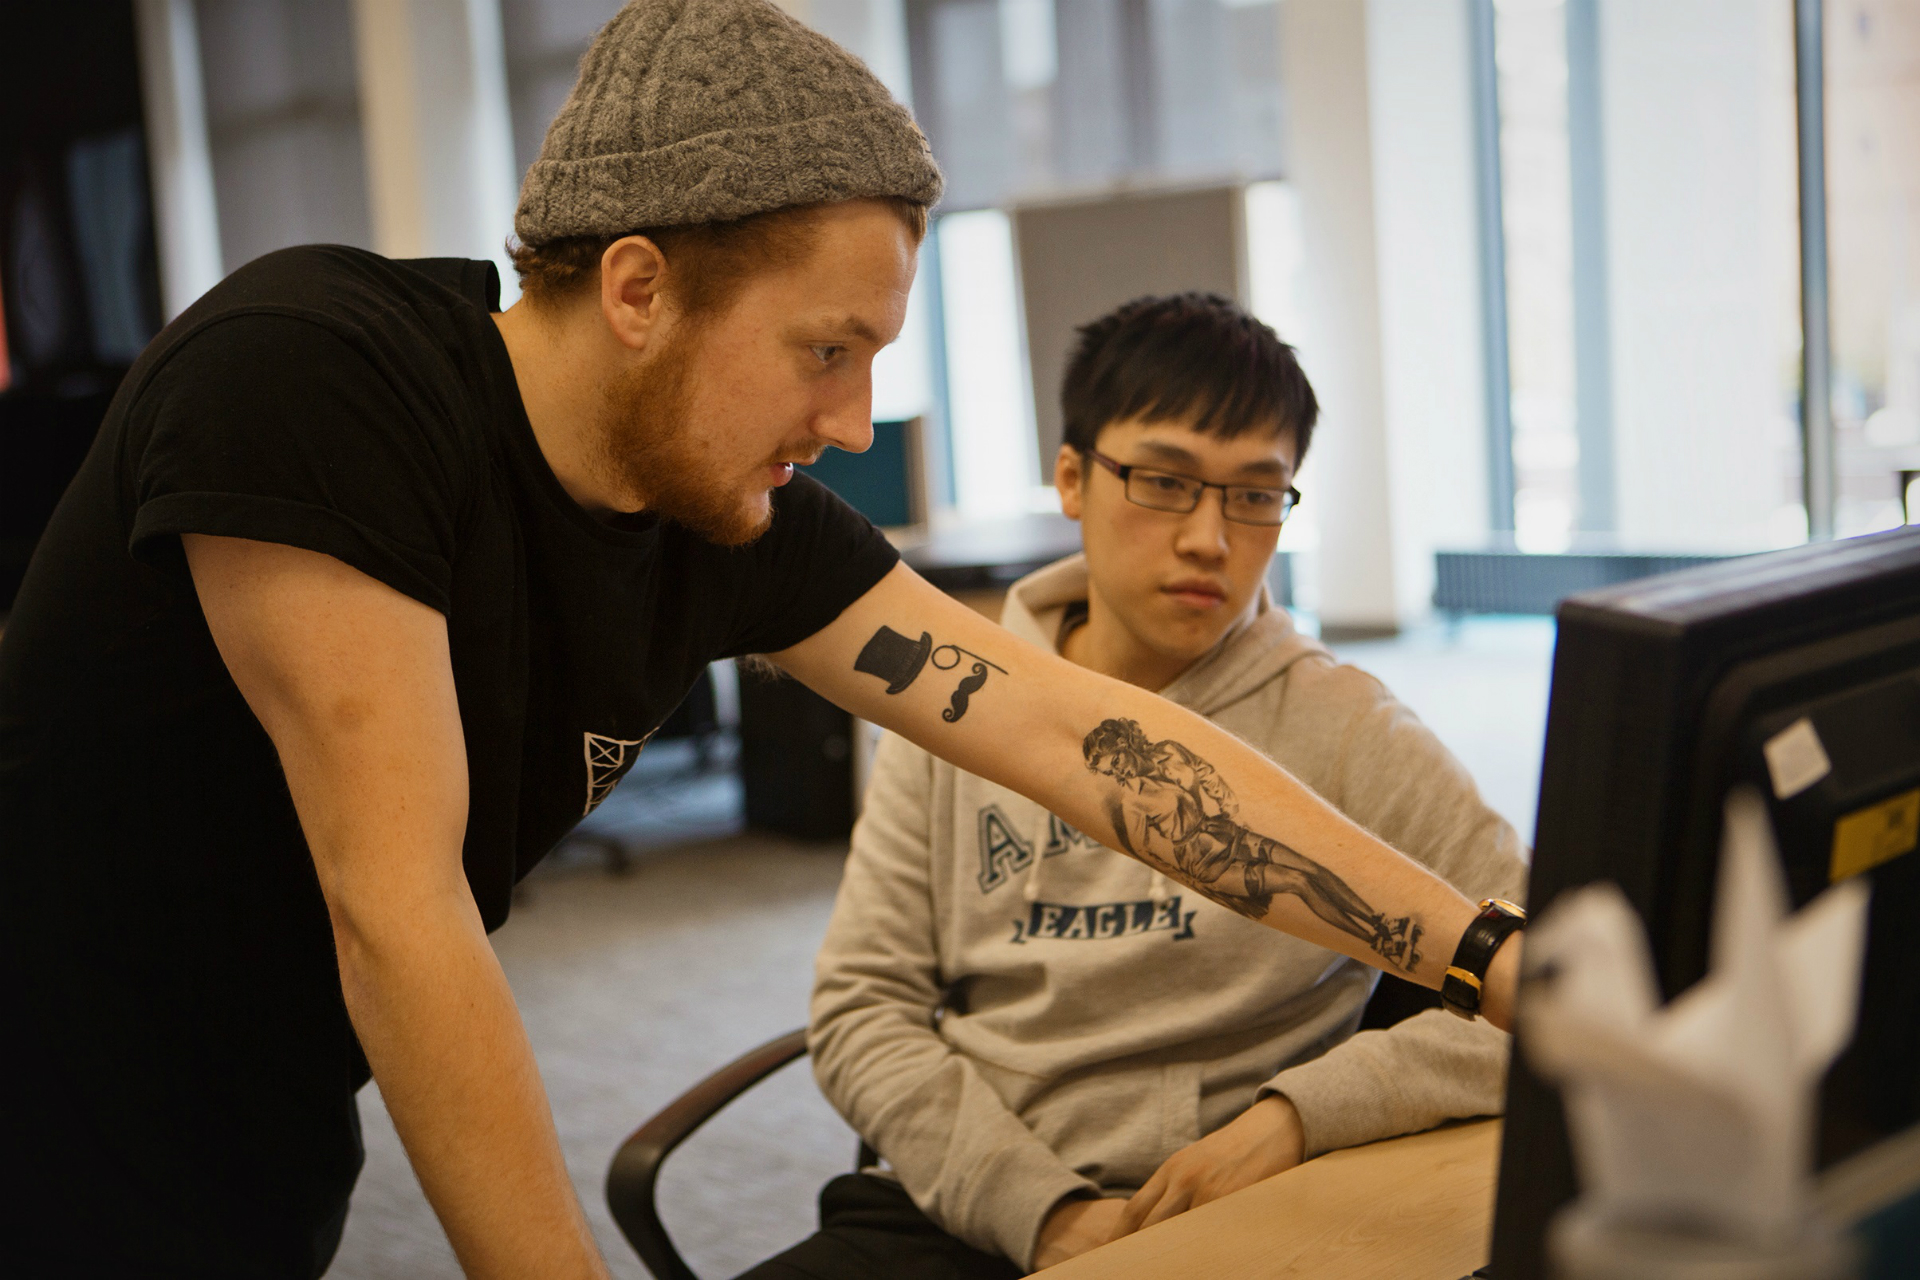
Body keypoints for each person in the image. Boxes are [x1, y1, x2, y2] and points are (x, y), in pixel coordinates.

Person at [0, 2, 1521, 1274]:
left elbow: (1072, 735)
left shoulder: (723, 520)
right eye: (824, 350)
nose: (854, 421)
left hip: (255, 1126)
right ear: (641, 286)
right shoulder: (317, 380)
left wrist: (1483, 953)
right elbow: (399, 911)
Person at [738, 294, 1529, 1280]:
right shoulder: (951, 705)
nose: (1209, 538)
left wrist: (1301, 1113)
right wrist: (1040, 1209)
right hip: (973, 1202)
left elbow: (1547, 979)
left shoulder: (1351, 728)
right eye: (1164, 481)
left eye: (1255, 494)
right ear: (1072, 477)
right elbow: (862, 1005)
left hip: (1239, 1201)